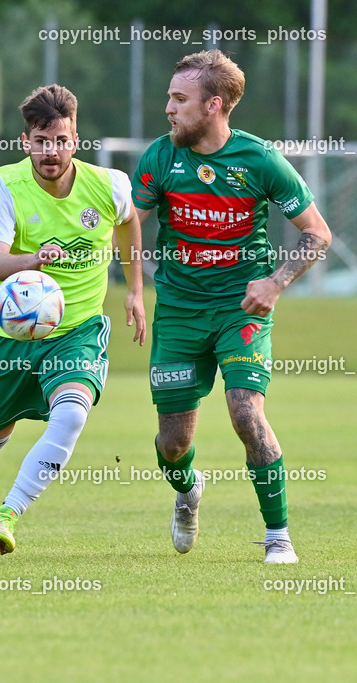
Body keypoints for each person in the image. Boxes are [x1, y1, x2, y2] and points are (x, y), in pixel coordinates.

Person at [132, 50, 332, 564]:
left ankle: (278, 537)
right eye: (169, 98)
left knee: (246, 414)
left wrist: (275, 282)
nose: (169, 109)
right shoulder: (160, 157)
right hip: (177, 309)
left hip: (241, 307)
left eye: (180, 99)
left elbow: (317, 234)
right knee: (173, 443)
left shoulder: (260, 160)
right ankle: (187, 490)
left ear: (213, 105)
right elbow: (128, 219)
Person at [0, 84, 146, 554]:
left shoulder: (109, 186)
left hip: (78, 330)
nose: (51, 151)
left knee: (70, 415)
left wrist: (135, 291)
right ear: (27, 142)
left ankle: (8, 514)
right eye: (41, 141)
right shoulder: (4, 187)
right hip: (14, 333)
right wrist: (31, 262)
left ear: (75, 140)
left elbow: (128, 222)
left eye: (60, 140)